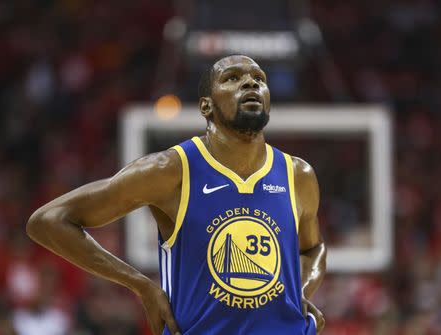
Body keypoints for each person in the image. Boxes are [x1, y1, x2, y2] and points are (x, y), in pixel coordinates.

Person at [27, 54, 326, 335]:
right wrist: (141, 285)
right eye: (232, 78)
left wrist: (299, 290)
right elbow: (48, 221)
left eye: (259, 79)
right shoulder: (170, 170)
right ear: (206, 106)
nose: (250, 83)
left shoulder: (298, 175)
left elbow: (313, 250)